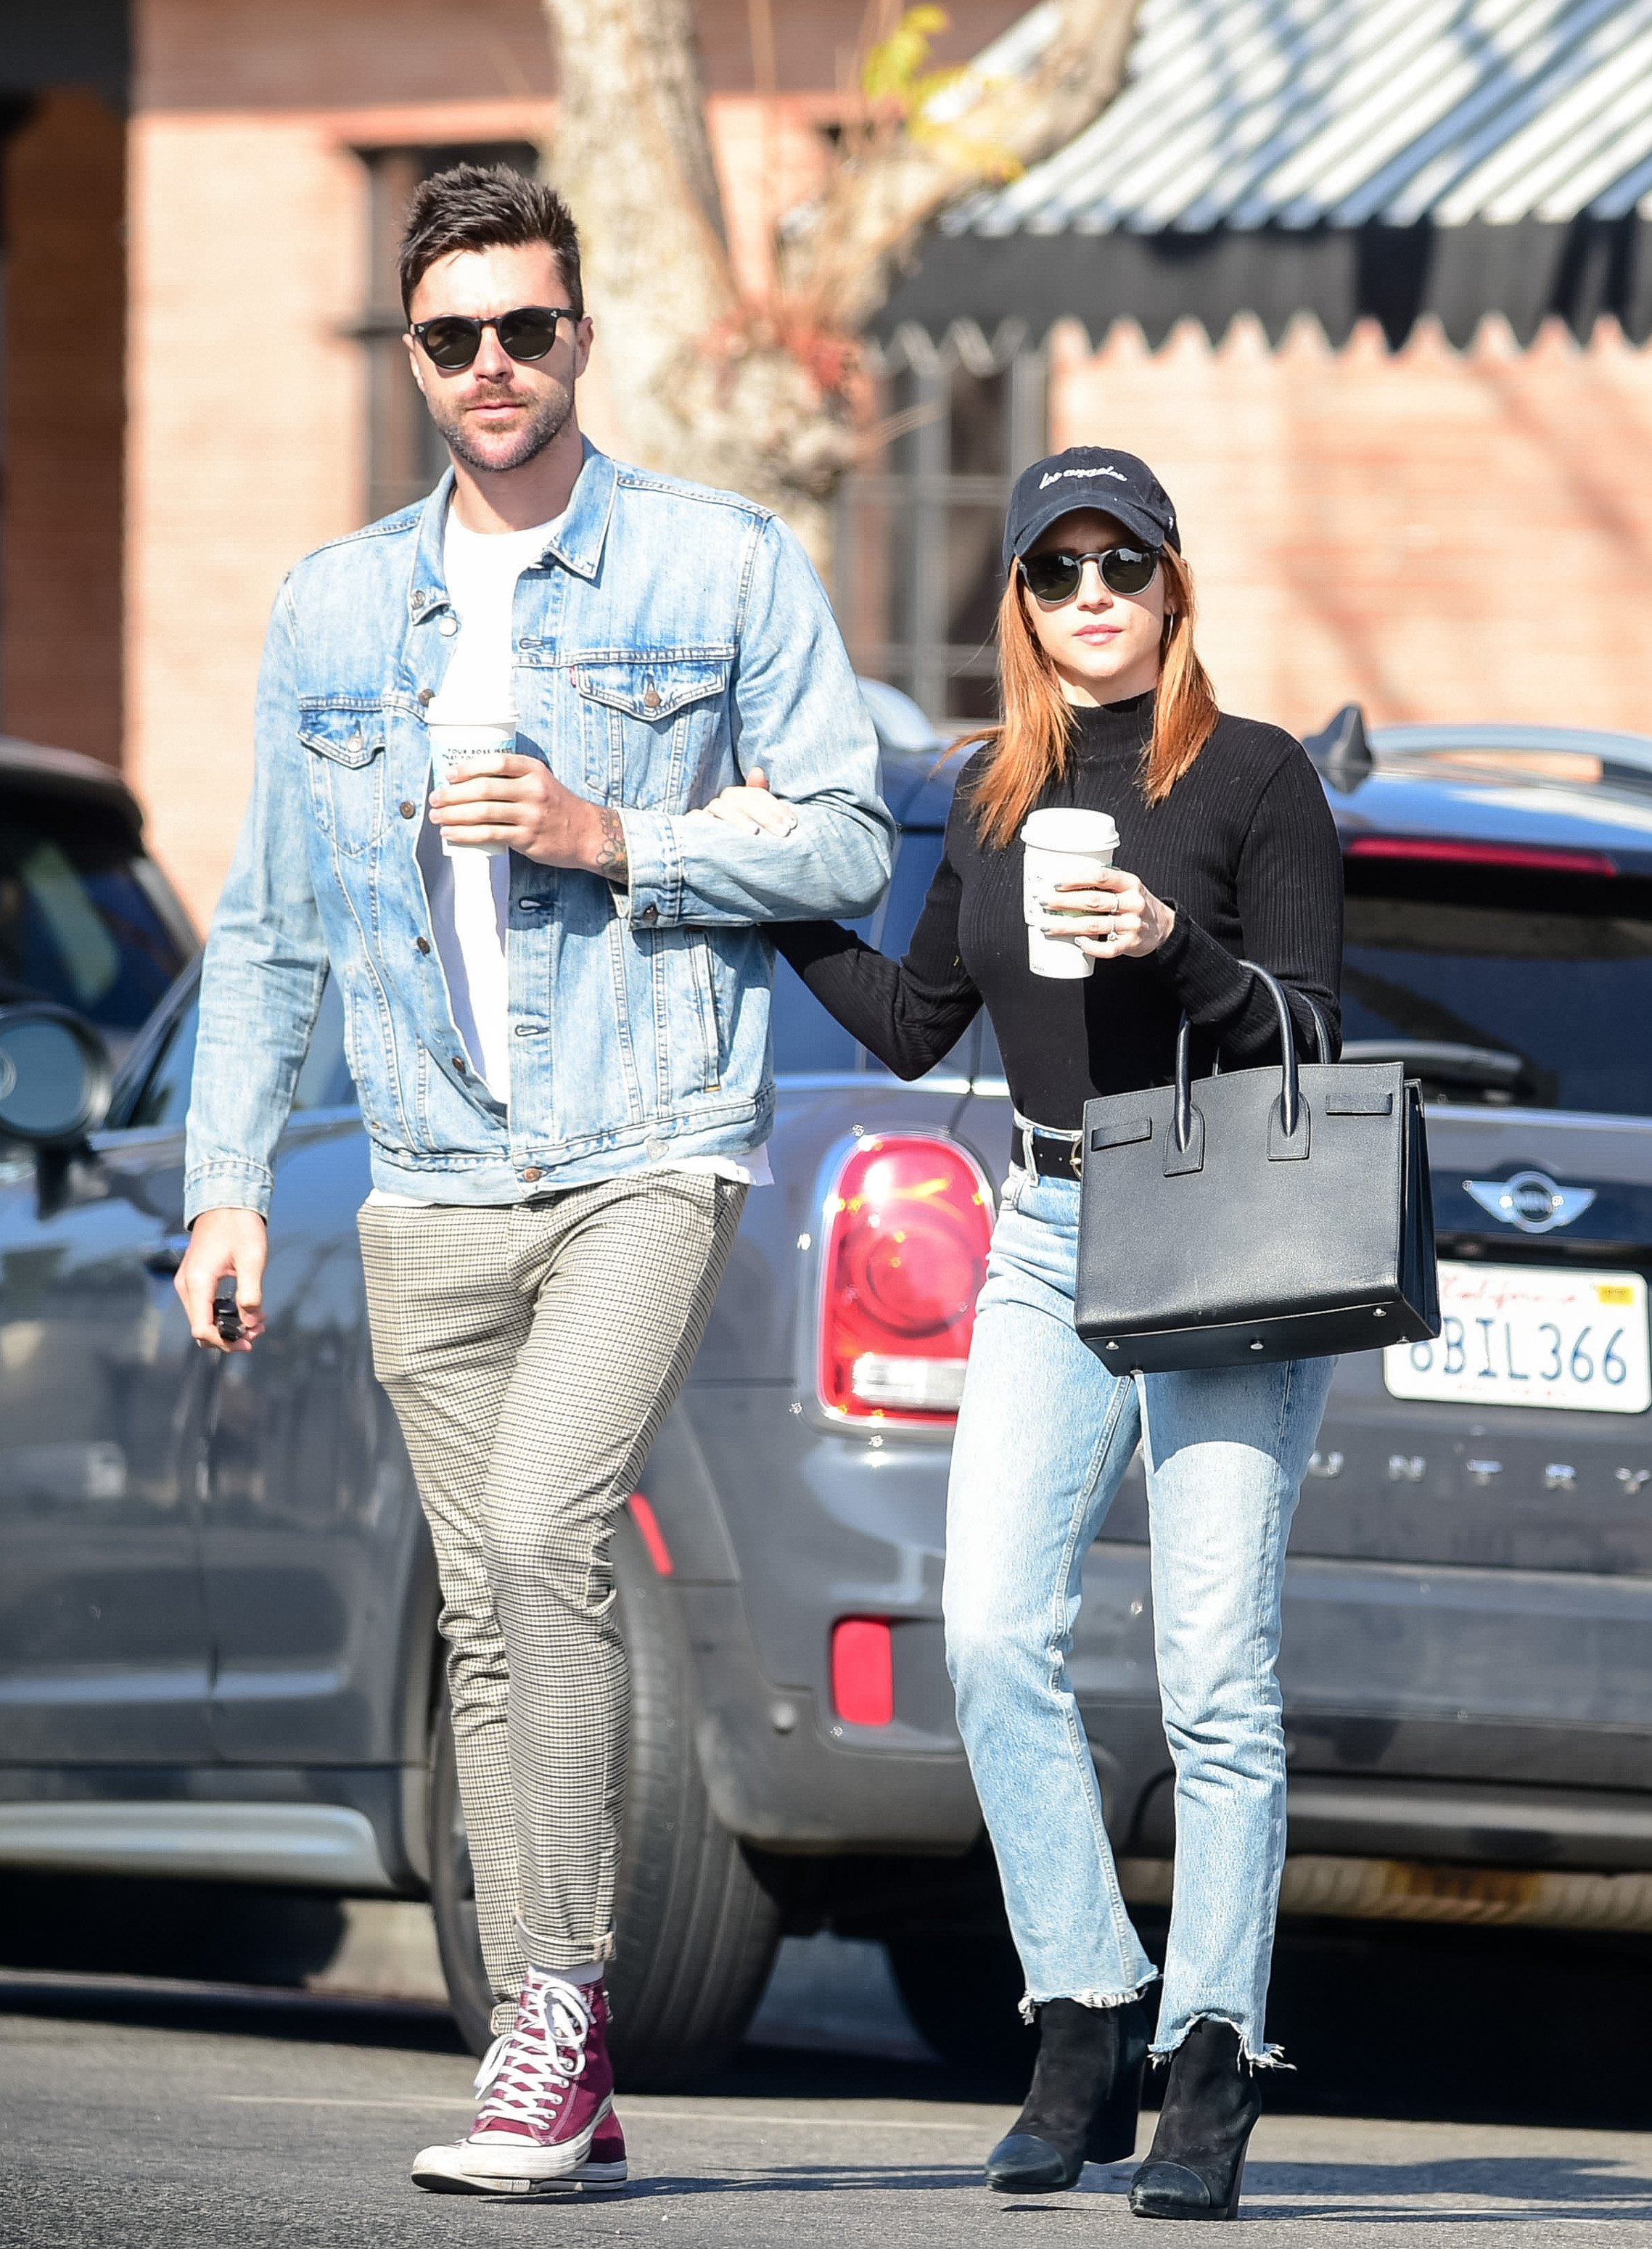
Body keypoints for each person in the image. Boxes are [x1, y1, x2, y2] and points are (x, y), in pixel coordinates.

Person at [174, 165, 893, 2197]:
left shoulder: (718, 565)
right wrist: (227, 1183)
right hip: (424, 1165)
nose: (492, 366)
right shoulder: (332, 605)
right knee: (492, 1601)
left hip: (643, 1141)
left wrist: (612, 832)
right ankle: (550, 2054)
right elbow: (269, 925)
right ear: (410, 354)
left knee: (541, 1522)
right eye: (451, 336)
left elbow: (843, 835)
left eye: (527, 328)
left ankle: (553, 2020)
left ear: (582, 336)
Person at [723, 448, 1342, 2221]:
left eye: (1119, 563)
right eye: (1055, 568)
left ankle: (1209, 2054)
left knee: (1215, 1678)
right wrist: (765, 896)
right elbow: (918, 1024)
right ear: (1018, 598)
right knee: (991, 1632)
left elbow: (1301, 1025)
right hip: (1048, 1228)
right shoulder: (989, 800)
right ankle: (1080, 2006)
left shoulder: (1250, 777)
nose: (1090, 595)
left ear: (1170, 585)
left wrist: (1167, 941)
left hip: (1223, 1238)